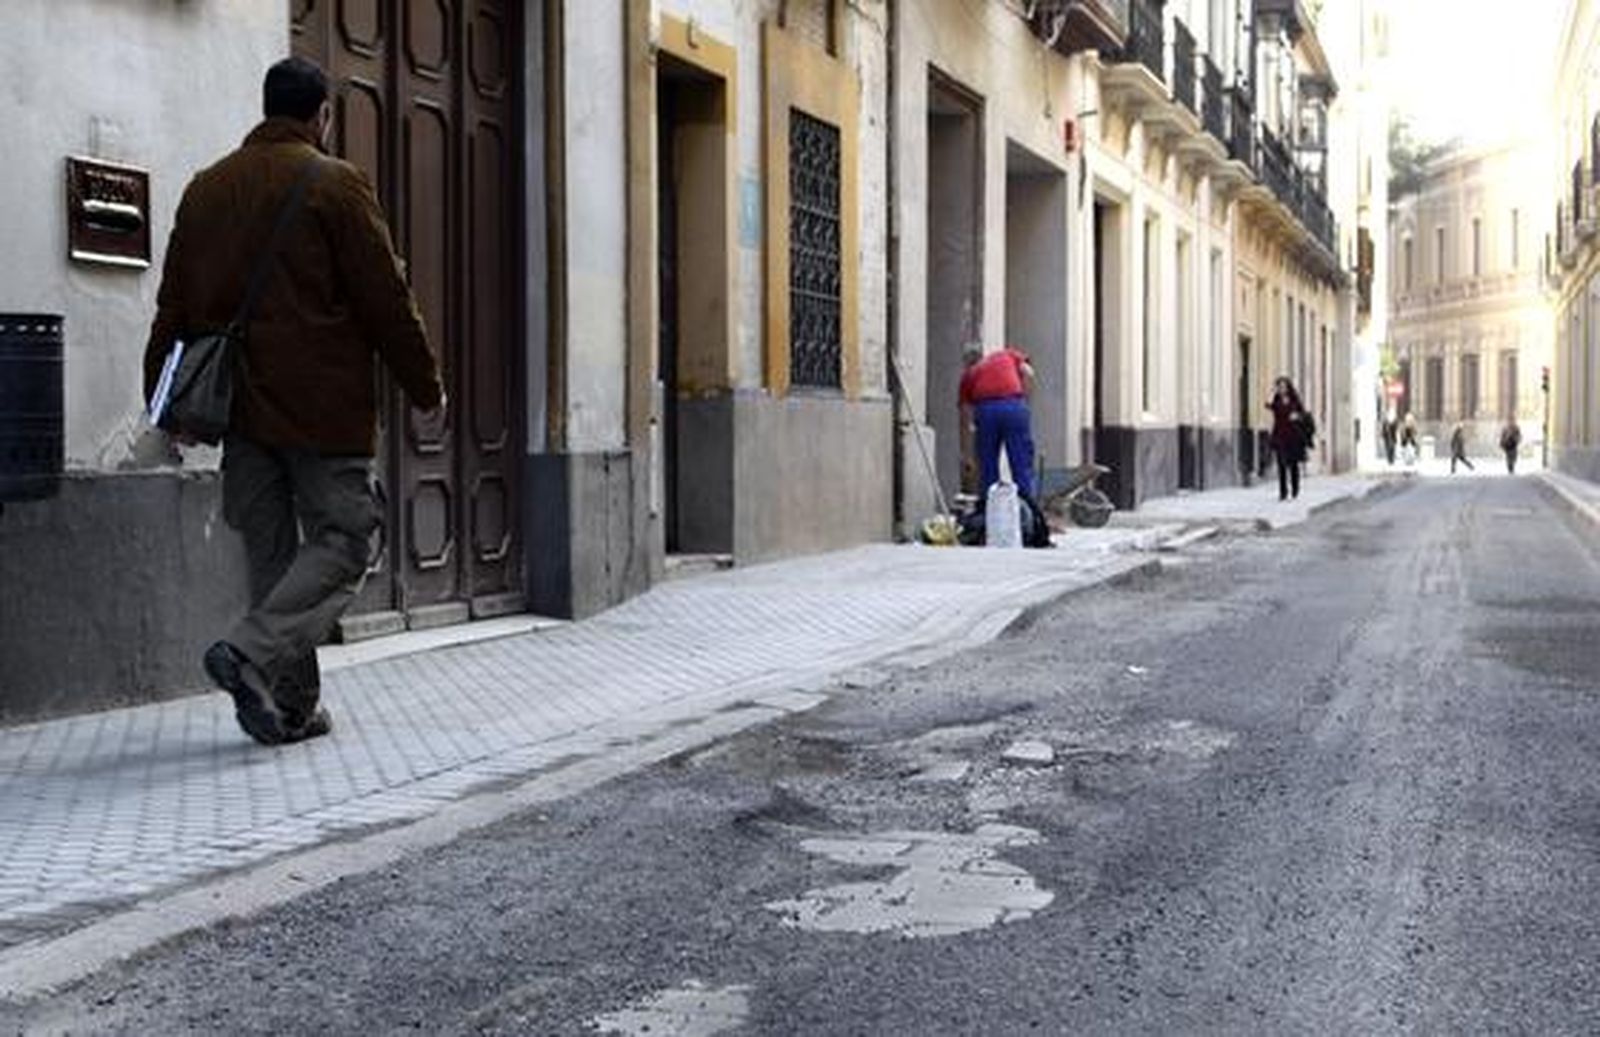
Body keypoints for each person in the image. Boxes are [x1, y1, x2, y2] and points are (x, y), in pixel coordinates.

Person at [145, 57, 444, 746]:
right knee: (346, 539)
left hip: (240, 414)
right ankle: (247, 653)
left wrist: (164, 402)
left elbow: (173, 308)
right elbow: (386, 302)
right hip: (323, 411)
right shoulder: (336, 185)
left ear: (265, 108)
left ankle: (290, 706)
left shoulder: (205, 190)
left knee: (275, 560)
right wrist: (425, 386)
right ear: (322, 118)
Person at [959, 344, 1037, 502]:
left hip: (986, 410)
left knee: (987, 465)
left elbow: (965, 419)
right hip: (1014, 406)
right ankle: (1028, 511)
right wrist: (1024, 401)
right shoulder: (1007, 355)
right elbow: (1029, 372)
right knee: (1021, 463)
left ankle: (990, 512)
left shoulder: (968, 376)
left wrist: (967, 455)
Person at [1265, 376, 1309, 501]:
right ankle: (1283, 492)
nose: (1281, 389)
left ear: (1288, 387)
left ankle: (1295, 488)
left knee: (1293, 464)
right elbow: (1267, 405)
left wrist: (1297, 416)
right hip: (1279, 435)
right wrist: (1272, 392)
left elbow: (1303, 414)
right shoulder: (1276, 399)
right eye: (1279, 387)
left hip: (1293, 436)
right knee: (1281, 465)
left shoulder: (1294, 400)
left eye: (1283, 386)